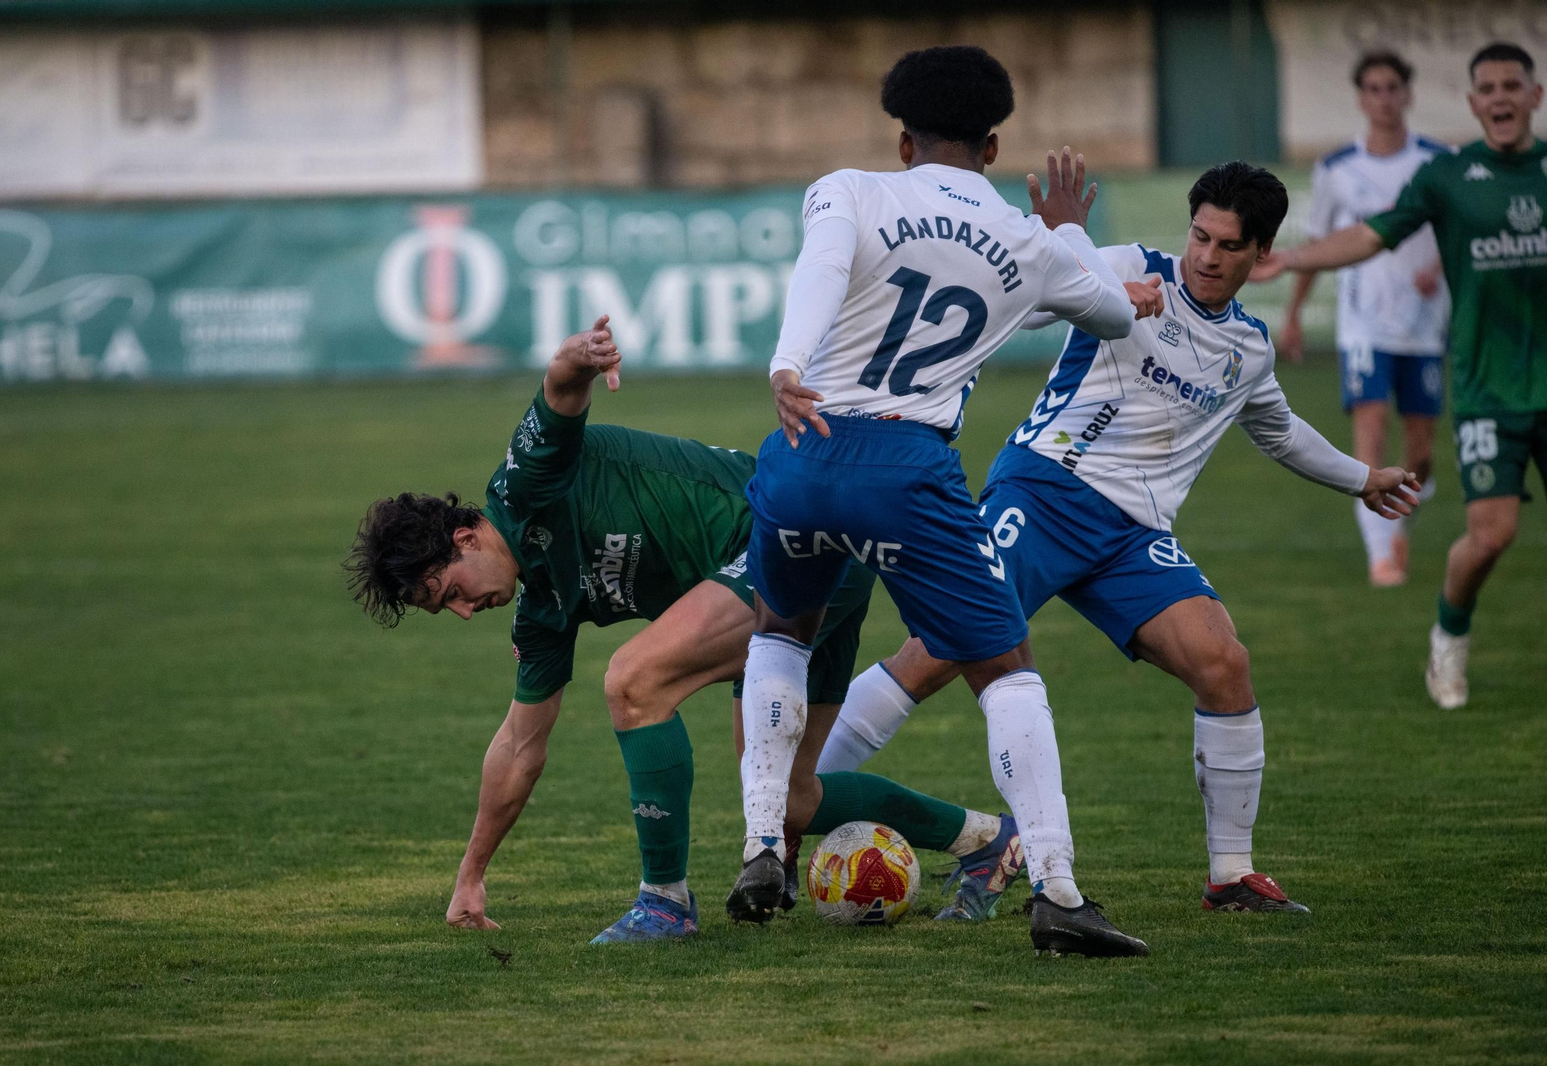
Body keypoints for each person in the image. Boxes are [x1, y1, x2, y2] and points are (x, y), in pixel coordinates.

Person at [816, 162, 1424, 914]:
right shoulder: (1134, 269)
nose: (1205, 254)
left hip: (1133, 537)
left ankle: (1231, 875)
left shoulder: (1249, 348)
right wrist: (1060, 240)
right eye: (1199, 234)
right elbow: (1035, 298)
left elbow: (1280, 432)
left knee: (1224, 662)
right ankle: (789, 813)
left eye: (1228, 245)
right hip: (1043, 491)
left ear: (1260, 255)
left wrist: (1361, 477)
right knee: (934, 654)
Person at [344, 317, 1024, 944]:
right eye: (446, 611)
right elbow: (520, 745)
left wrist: (580, 357)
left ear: (465, 538)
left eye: (449, 592)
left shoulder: (522, 488)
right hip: (817, 568)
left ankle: (664, 901)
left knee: (635, 679)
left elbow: (559, 390)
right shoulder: (541, 609)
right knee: (789, 798)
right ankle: (986, 841)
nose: (464, 611)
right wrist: (470, 873)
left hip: (785, 535)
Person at [732, 45, 1149, 957]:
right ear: (994, 147)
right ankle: (1060, 893)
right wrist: (1069, 231)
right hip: (908, 462)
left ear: (902, 137)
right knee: (1006, 666)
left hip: (807, 444)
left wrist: (787, 366)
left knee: (779, 631)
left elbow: (822, 269)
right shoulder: (1030, 243)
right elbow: (1116, 315)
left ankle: (764, 843)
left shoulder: (851, 187)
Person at [1254, 42, 1545, 710]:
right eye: (1487, 88)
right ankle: (1446, 635)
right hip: (1486, 389)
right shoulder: (1448, 178)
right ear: (1472, 104)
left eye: (1512, 85)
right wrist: (1294, 261)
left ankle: (1397, 534)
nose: (1499, 97)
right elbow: (1368, 234)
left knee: (1416, 450)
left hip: (1431, 336)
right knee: (1492, 536)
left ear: (1535, 96)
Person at [1278, 50, 1449, 587]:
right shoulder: (1336, 169)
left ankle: (1399, 522)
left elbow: (1460, 228)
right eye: (1372, 88)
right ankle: (1381, 555)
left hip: (1424, 327)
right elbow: (1320, 244)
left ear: (1407, 94)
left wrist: (1439, 265)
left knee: (1421, 453)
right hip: (1364, 328)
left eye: (1392, 87)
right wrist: (1294, 313)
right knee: (1370, 436)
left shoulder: (1438, 162)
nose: (1383, 98)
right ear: (1360, 98)